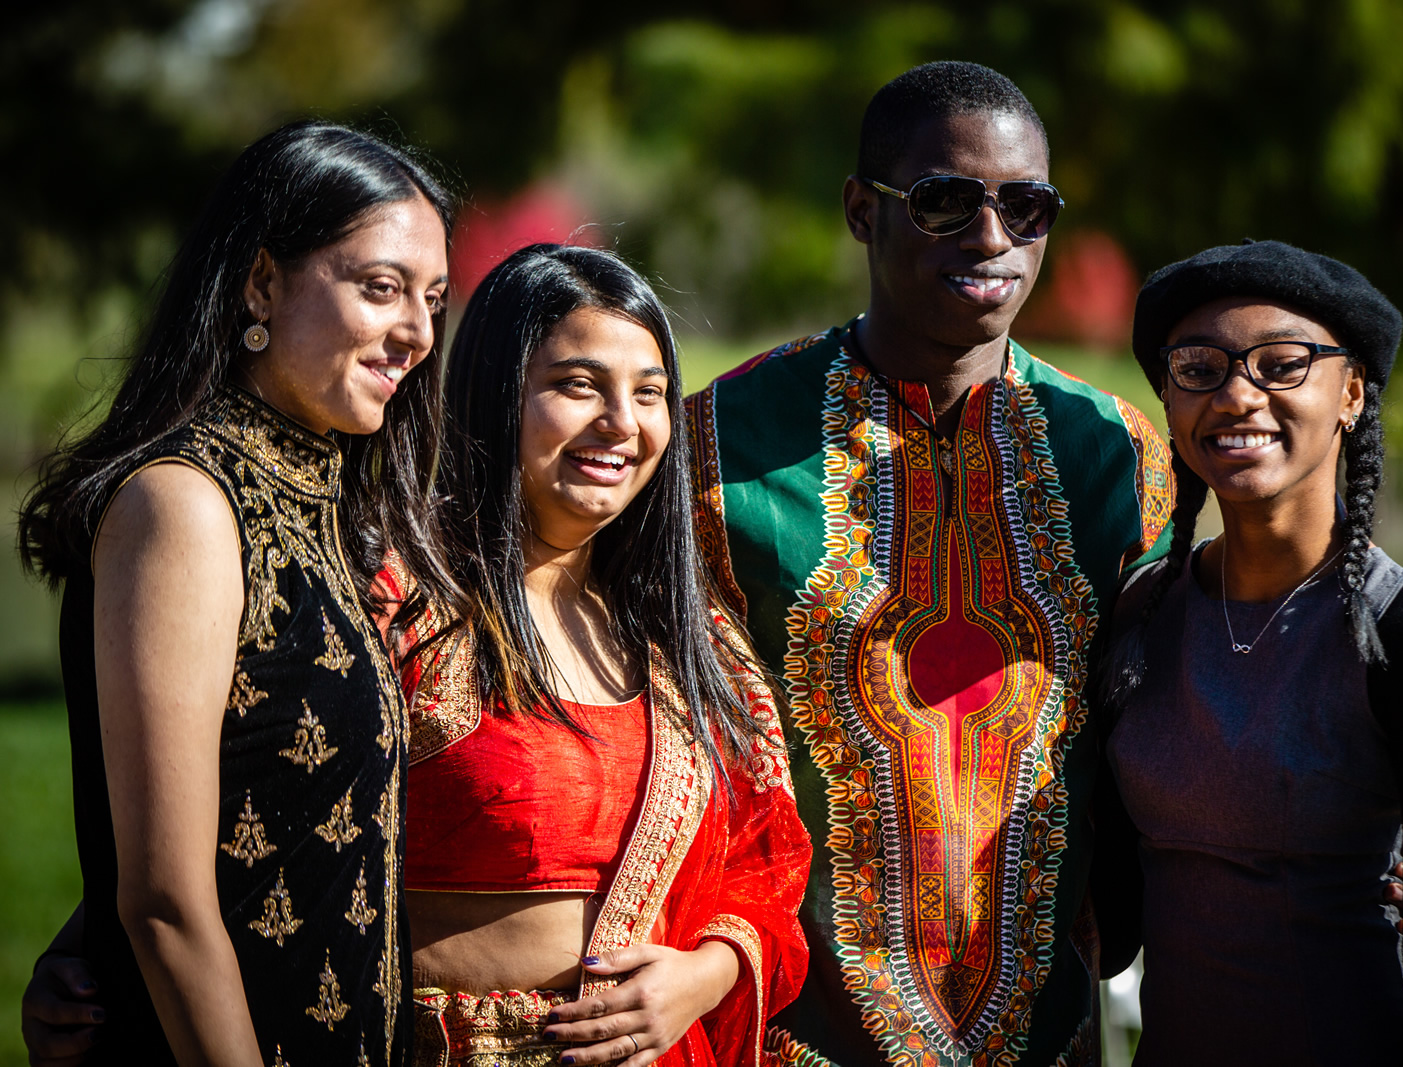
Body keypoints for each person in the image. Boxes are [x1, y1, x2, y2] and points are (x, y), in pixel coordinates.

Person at [685, 62, 1172, 1064]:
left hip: (1047, 1033)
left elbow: (1172, 712)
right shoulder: (721, 444)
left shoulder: (1115, 454)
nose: (990, 239)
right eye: (946, 202)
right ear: (863, 211)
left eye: (1025, 207)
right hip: (793, 1029)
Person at [15, 120, 455, 1065]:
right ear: (260, 283)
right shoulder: (185, 504)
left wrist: (74, 945)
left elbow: (243, 810)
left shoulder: (331, 506)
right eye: (380, 287)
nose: (417, 330)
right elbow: (167, 904)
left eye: (433, 297)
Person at [382, 243, 811, 1067]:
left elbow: (766, 864)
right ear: (496, 392)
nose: (623, 422)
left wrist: (704, 974)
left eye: (649, 393)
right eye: (578, 385)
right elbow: (258, 812)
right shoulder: (400, 598)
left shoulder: (687, 635)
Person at [1096, 240, 1403, 1064]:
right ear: (1170, 402)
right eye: (1199, 368)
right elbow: (1110, 925)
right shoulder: (1139, 616)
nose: (1238, 395)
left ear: (1351, 391)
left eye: (1282, 364)